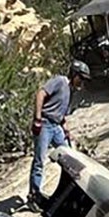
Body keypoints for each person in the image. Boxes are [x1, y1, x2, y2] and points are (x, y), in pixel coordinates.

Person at [28, 60, 88, 205]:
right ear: (74, 74)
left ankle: (68, 192)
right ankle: (33, 196)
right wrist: (37, 118)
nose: (82, 82)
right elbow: (41, 94)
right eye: (81, 77)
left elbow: (61, 114)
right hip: (45, 124)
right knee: (39, 160)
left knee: (70, 158)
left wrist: (66, 128)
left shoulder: (71, 91)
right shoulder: (60, 81)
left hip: (56, 127)